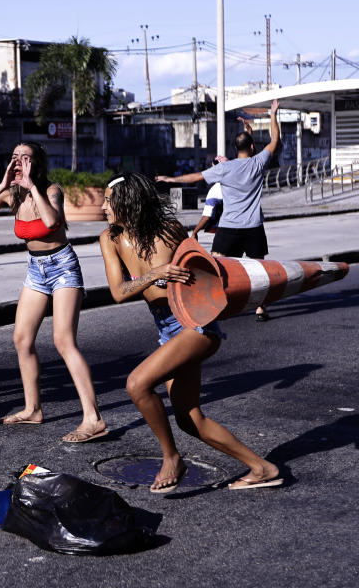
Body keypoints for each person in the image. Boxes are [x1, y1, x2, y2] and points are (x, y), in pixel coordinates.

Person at [99, 173, 282, 492]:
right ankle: (262, 468)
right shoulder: (110, 239)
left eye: (107, 200)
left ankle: (171, 458)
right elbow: (118, 292)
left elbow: (202, 268)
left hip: (194, 323)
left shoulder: (169, 231)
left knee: (137, 384)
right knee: (188, 417)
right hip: (167, 328)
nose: (102, 207)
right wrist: (157, 275)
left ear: (127, 203)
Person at [0, 143, 106, 443]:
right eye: (15, 157)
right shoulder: (11, 195)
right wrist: (2, 186)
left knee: (63, 340)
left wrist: (32, 186)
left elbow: (52, 221)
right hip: (36, 270)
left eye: (25, 158)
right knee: (21, 338)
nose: (19, 162)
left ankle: (93, 418)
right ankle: (33, 409)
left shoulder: (51, 190)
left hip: (63, 267)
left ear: (36, 164)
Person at [158, 99, 281, 321]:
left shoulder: (225, 168)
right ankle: (260, 308)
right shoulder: (258, 163)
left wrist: (170, 178)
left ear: (235, 148)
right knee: (260, 269)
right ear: (252, 148)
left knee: (217, 266)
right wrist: (273, 114)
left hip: (229, 228)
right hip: (253, 227)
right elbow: (275, 140)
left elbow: (195, 176)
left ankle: (214, 304)